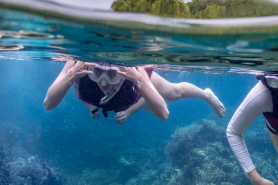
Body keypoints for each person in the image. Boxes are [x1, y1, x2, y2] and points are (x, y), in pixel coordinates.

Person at [44, 60, 226, 123]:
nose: (104, 82)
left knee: (173, 93)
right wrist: (70, 77)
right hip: (118, 97)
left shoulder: (133, 71)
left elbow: (163, 114)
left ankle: (206, 95)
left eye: (112, 74)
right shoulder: (78, 65)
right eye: (97, 73)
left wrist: (139, 81)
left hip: (132, 89)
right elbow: (49, 104)